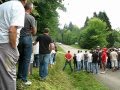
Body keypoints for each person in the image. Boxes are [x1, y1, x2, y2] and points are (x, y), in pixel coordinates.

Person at [0, 0, 27, 90]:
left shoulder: (3, 6)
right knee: (9, 77)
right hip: (6, 45)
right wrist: (14, 48)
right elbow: (12, 30)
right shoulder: (18, 6)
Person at [17, 2, 37, 85]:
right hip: (27, 38)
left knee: (20, 59)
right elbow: (34, 32)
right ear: (30, 9)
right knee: (26, 60)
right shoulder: (31, 17)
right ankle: (24, 79)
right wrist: (32, 30)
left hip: (18, 38)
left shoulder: (18, 15)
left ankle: (19, 76)